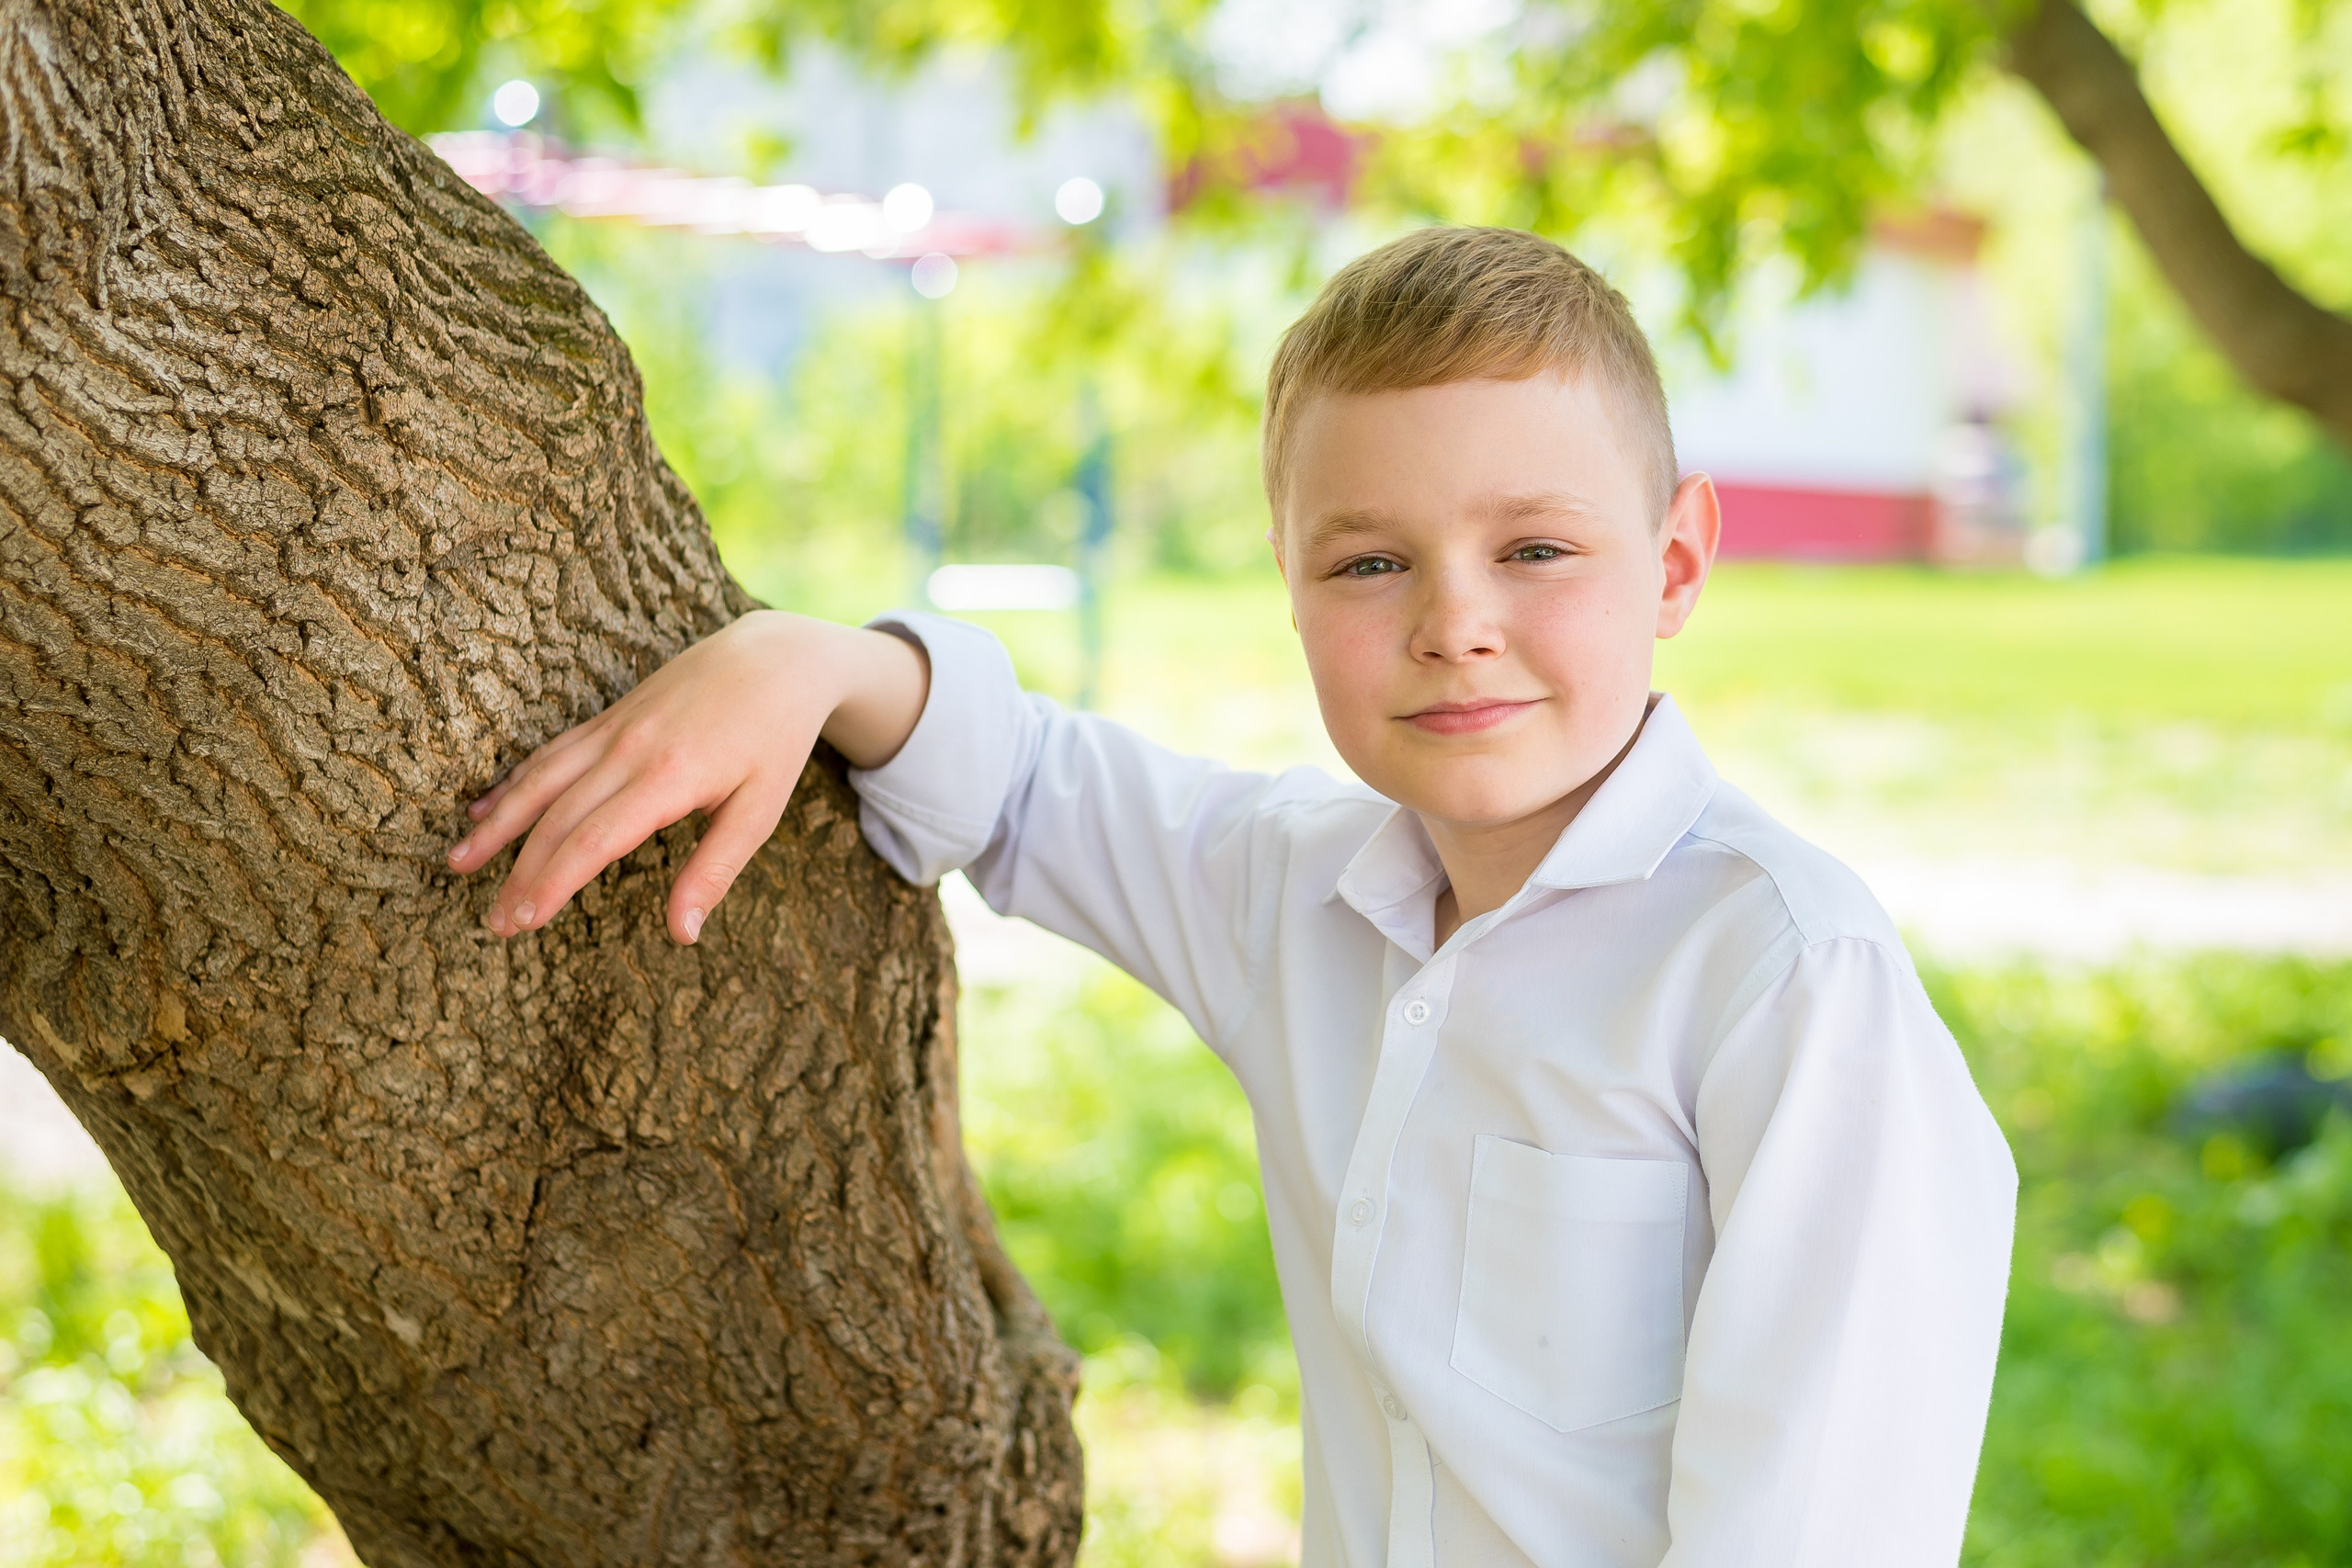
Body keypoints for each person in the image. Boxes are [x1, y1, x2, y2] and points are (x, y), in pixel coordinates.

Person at [446, 226, 2017, 1567]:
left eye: (1536, 547)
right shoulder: (1303, 895)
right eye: (1369, 566)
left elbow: (1823, 1526)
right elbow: (1028, 784)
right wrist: (809, 660)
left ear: (1675, 564)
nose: (1454, 625)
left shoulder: (1783, 980)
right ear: (1284, 574)